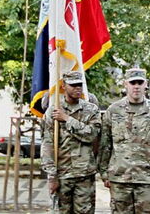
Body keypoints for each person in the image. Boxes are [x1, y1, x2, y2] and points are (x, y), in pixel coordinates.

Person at [99, 67, 150, 214]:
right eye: (133, 83)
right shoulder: (113, 110)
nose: (136, 86)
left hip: (147, 179)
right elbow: (105, 144)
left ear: (146, 84)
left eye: (140, 82)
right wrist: (104, 173)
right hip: (120, 178)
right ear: (126, 84)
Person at [41, 70, 102, 214]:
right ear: (63, 86)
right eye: (73, 85)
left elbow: (92, 135)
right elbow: (47, 145)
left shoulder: (91, 110)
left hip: (84, 175)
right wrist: (51, 175)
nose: (77, 88)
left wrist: (67, 119)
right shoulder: (53, 111)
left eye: (80, 85)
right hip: (62, 175)